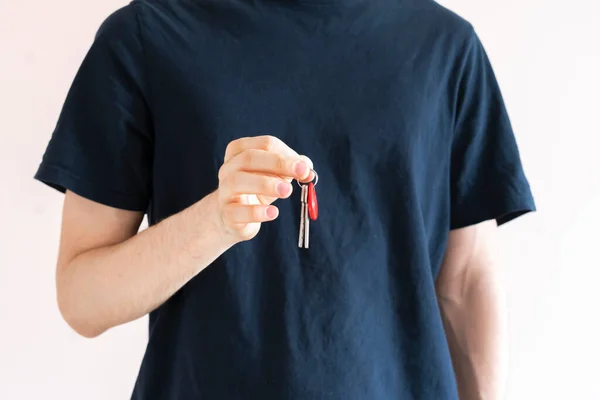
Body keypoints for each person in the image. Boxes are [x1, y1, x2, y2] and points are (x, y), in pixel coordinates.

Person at [34, 0, 535, 398]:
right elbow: (82, 299)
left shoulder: (445, 49)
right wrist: (214, 222)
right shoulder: (146, 36)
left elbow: (466, 284)